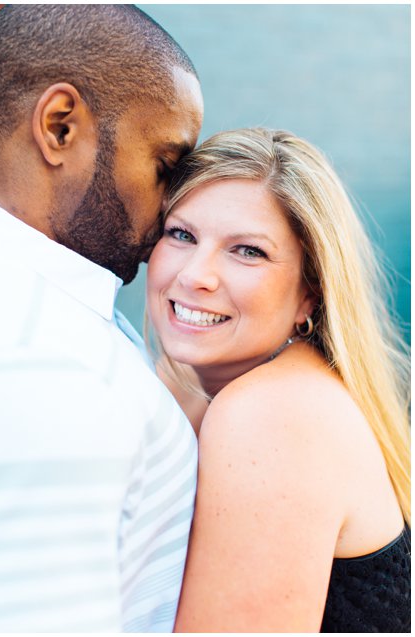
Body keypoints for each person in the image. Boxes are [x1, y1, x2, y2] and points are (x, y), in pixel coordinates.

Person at [145, 127, 411, 632]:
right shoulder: (194, 382)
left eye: (247, 251)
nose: (196, 275)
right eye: (181, 234)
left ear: (310, 295)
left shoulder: (271, 414)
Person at [0, 5, 203, 631]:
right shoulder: (50, 362)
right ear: (60, 127)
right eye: (167, 166)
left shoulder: (59, 321)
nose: (172, 210)